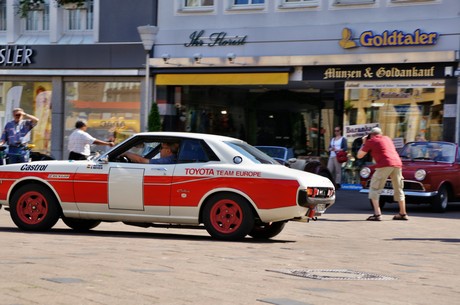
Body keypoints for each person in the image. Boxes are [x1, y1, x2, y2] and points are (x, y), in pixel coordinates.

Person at [357, 127, 408, 221]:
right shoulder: (387, 138)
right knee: (399, 188)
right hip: (397, 163)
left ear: (371, 135)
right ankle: (403, 213)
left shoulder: (371, 141)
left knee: (374, 188)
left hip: (384, 164)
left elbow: (359, 155)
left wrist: (364, 143)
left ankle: (377, 214)